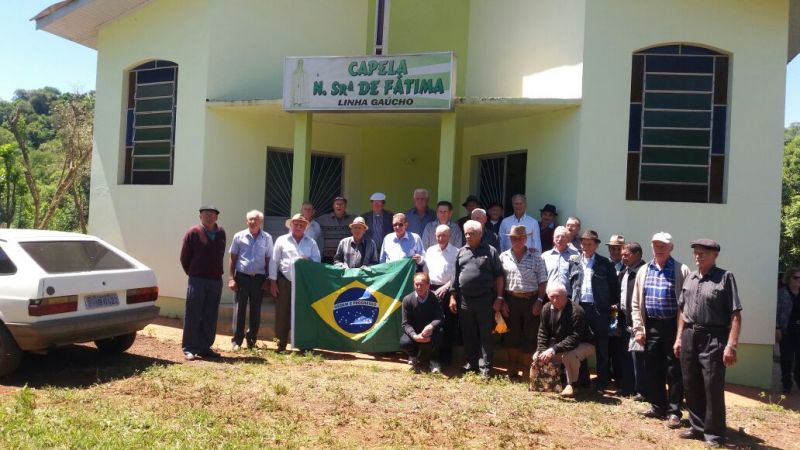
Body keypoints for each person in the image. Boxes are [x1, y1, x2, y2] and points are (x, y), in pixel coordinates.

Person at [674, 239, 742, 448]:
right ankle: (697, 426)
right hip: (689, 336)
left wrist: (731, 345)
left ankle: (714, 434)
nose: (698, 255)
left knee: (712, 386)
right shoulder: (690, 278)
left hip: (714, 337)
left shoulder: (725, 277)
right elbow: (682, 311)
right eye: (696, 252)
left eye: (704, 252)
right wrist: (679, 338)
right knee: (690, 382)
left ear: (715, 255)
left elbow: (735, 315)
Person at [631, 232, 690, 429]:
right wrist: (639, 329)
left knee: (674, 370)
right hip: (651, 325)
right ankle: (657, 406)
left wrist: (681, 333)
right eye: (656, 245)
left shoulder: (681, 269)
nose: (660, 248)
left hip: (673, 325)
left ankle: (674, 412)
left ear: (671, 247)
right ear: (651, 246)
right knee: (652, 367)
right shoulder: (644, 270)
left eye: (664, 245)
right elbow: (636, 303)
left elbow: (686, 304)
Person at [450, 220, 505, 378]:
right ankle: (471, 363)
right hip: (465, 300)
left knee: (485, 334)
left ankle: (486, 367)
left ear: (480, 234)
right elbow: (455, 277)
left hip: (485, 299)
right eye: (466, 233)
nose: (468, 236)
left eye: (472, 233)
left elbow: (499, 276)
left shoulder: (491, 251)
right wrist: (453, 297)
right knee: (468, 333)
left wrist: (499, 297)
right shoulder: (461, 252)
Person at [568, 229, 620, 391]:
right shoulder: (574, 262)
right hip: (580, 308)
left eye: (589, 244)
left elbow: (613, 287)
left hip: (599, 309)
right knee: (580, 343)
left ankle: (602, 381)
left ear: (596, 245)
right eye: (583, 243)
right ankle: (582, 379)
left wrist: (611, 307)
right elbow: (572, 286)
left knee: (602, 345)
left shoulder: (605, 263)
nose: (585, 247)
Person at [500, 225, 548, 380]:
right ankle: (512, 366)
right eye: (514, 238)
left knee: (530, 335)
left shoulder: (536, 257)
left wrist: (539, 300)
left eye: (520, 238)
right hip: (510, 299)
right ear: (510, 239)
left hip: (531, 300)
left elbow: (542, 281)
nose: (517, 241)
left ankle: (526, 369)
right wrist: (502, 300)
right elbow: (500, 280)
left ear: (526, 238)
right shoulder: (503, 256)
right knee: (511, 335)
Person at [180, 205, 227, 361]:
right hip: (197, 280)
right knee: (193, 313)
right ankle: (189, 348)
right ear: (200, 216)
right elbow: (184, 257)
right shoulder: (193, 232)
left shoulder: (221, 232)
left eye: (213, 214)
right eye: (206, 214)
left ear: (216, 217)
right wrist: (193, 272)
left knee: (210, 314)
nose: (210, 217)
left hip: (215, 280)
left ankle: (204, 347)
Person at [269, 213, 321, 352]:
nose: (298, 227)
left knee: (303, 313)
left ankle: (303, 344)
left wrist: (308, 261)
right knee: (282, 312)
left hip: (303, 284)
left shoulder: (311, 242)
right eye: (296, 224)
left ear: (305, 227)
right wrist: (273, 282)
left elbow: (317, 261)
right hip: (284, 281)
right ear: (291, 225)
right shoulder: (281, 240)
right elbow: (274, 261)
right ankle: (281, 344)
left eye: (301, 225)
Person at [532, 281, 595, 397]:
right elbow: (543, 332)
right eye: (552, 297)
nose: (555, 300)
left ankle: (572, 385)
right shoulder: (546, 308)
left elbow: (574, 338)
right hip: (561, 343)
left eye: (558, 296)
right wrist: (541, 350)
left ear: (565, 295)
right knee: (538, 356)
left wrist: (553, 350)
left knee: (568, 355)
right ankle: (548, 383)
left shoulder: (577, 311)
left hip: (584, 343)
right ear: (548, 296)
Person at [227, 209, 273, 351]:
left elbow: (269, 259)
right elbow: (233, 258)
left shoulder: (267, 238)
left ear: (261, 222)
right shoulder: (239, 236)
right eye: (250, 219)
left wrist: (268, 279)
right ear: (246, 221)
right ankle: (237, 341)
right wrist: (231, 278)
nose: (253, 222)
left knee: (255, 310)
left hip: (259, 279)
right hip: (242, 278)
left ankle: (252, 339)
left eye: (256, 219)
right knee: (239, 309)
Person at [423, 224, 459, 364]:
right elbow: (425, 270)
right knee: (431, 323)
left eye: (444, 235)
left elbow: (457, 275)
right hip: (431, 289)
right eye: (438, 235)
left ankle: (446, 357)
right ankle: (431, 356)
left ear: (449, 236)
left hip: (448, 290)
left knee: (448, 324)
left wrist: (445, 287)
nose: (441, 238)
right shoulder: (430, 251)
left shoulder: (456, 252)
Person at [618, 242, 647, 400]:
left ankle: (642, 390)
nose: (623, 257)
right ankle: (627, 387)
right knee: (627, 355)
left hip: (639, 321)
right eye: (622, 254)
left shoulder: (643, 271)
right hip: (625, 319)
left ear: (637, 255)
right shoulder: (624, 271)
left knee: (639, 357)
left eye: (627, 254)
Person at [400, 272, 445, 373]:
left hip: (431, 331)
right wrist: (415, 336)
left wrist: (431, 326)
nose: (419, 287)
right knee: (404, 342)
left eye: (422, 284)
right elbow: (405, 323)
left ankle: (434, 360)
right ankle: (413, 355)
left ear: (428, 285)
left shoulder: (435, 298)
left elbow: (440, 317)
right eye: (416, 284)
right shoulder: (407, 299)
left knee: (440, 334)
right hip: (415, 331)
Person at [777, 266, 800, 394]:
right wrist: (777, 328)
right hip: (787, 330)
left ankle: (798, 378)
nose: (798, 280)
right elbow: (776, 312)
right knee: (787, 358)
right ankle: (786, 383)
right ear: (789, 278)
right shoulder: (782, 293)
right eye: (796, 277)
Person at [542, 226, 579, 297]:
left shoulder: (576, 255)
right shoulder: (545, 256)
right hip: (550, 296)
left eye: (563, 237)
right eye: (557, 236)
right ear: (553, 238)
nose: (560, 239)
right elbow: (541, 278)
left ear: (568, 239)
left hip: (568, 295)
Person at [317, 196, 354, 263]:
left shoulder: (352, 219)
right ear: (333, 206)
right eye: (337, 204)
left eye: (341, 204)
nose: (339, 206)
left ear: (345, 206)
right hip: (327, 257)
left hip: (345, 256)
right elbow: (310, 224)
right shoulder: (323, 219)